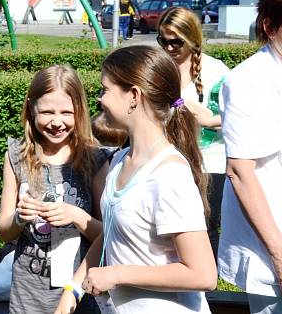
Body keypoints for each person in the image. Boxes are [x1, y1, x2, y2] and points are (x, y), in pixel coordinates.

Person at [55, 46, 216, 314]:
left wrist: (117, 274)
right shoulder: (119, 162)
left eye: (105, 89)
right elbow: (110, 234)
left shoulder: (168, 174)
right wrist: (73, 289)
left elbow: (203, 274)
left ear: (133, 96)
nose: (99, 99)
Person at [0, 65, 110, 314]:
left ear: (79, 111)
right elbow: (4, 232)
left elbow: (110, 235)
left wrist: (78, 217)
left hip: (79, 294)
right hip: (27, 296)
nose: (57, 122)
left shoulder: (94, 159)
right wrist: (19, 217)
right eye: (47, 112)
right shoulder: (16, 157)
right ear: (31, 108)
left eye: (66, 113)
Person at [218, 0, 282, 313]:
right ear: (270, 27)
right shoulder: (249, 81)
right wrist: (279, 255)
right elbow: (240, 171)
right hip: (273, 251)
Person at [156, 6, 230, 257]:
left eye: (176, 42)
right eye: (163, 41)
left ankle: (207, 285)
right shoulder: (158, 69)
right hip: (168, 163)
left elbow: (241, 118)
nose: (168, 48)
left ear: (192, 38)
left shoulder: (216, 70)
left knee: (206, 228)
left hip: (210, 164)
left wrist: (209, 121)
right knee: (170, 226)